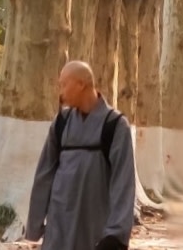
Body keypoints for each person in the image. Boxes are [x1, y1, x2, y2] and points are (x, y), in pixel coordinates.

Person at [25, 61, 135, 250]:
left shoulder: (115, 125)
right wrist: (35, 223)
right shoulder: (61, 122)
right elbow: (44, 174)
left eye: (64, 84)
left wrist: (116, 234)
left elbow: (123, 182)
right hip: (59, 222)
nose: (61, 92)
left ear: (81, 84)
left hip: (94, 225)